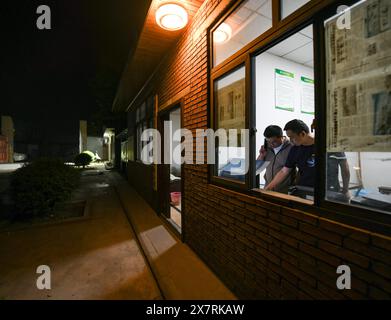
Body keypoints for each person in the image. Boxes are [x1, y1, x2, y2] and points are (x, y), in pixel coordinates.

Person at [265, 119, 315, 192]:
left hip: (326, 192)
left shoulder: (324, 146)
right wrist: (268, 188)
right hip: (304, 189)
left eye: (292, 137)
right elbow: (284, 171)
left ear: (302, 134)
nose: (290, 140)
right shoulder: (295, 149)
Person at [257, 125, 294, 193]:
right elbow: (258, 168)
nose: (271, 144)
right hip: (267, 187)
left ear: (281, 137)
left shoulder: (291, 148)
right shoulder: (266, 148)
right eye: (268, 141)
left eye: (274, 142)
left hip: (284, 191)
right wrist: (261, 155)